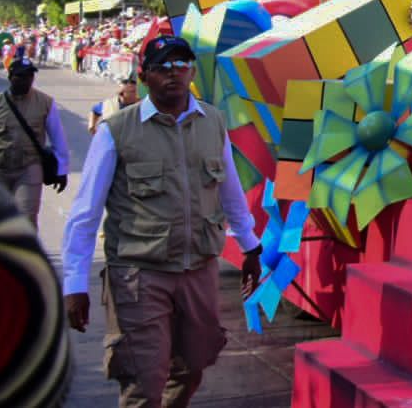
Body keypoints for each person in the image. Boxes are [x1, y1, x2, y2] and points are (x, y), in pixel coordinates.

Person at [60, 34, 261, 407]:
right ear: (143, 76)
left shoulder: (212, 122)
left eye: (181, 65)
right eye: (162, 67)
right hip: (139, 274)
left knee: (192, 367)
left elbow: (230, 191)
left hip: (198, 269)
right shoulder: (116, 131)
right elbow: (85, 213)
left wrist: (250, 246)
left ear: (191, 71)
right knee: (143, 380)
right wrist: (75, 283)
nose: (174, 74)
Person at [0, 55, 70, 228]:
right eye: (20, 76)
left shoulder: (46, 103)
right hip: (1, 166)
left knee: (26, 219)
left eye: (29, 76)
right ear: (10, 78)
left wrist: (61, 170)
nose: (26, 81)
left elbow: (58, 138)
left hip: (29, 168)